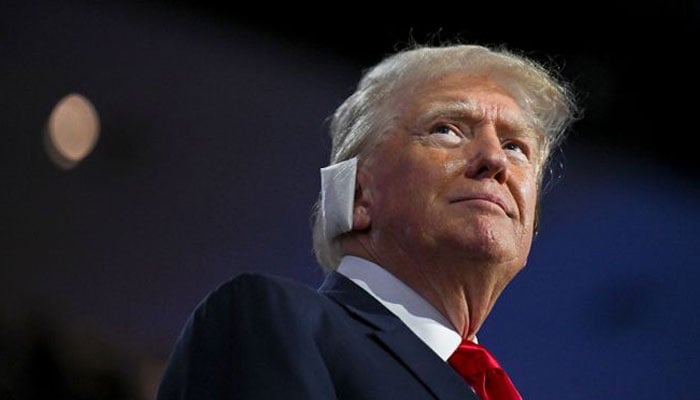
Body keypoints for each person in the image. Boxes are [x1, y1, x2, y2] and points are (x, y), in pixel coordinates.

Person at [156, 43, 578, 399]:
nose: (494, 159)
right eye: (447, 129)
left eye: (516, 146)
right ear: (358, 195)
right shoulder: (277, 321)